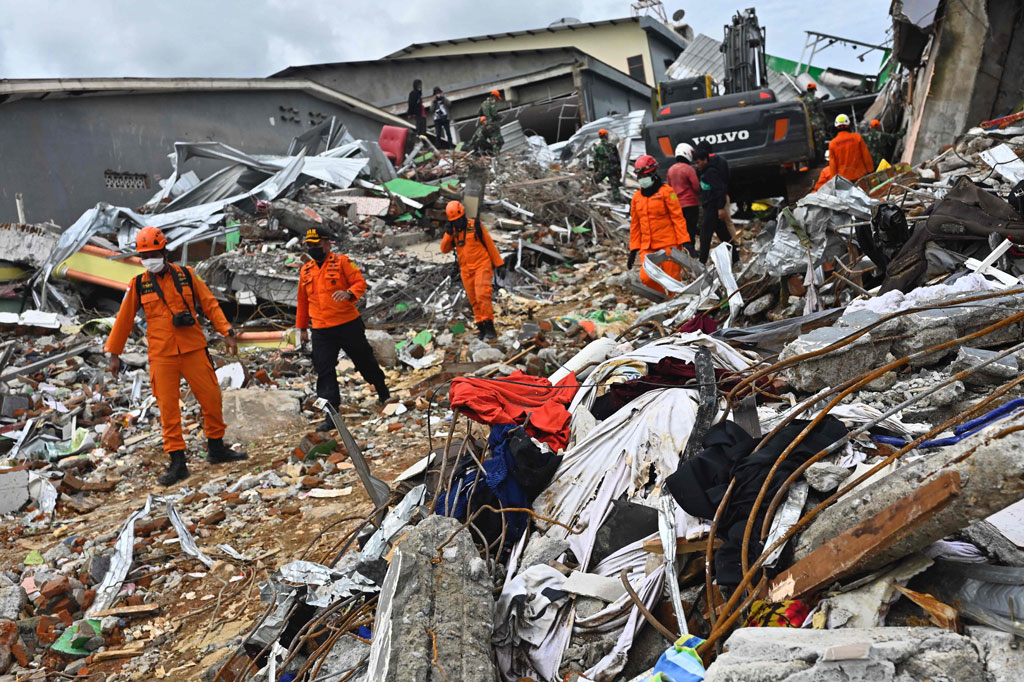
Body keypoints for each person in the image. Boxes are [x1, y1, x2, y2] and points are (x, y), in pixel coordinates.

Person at [104, 226, 247, 486]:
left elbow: (209, 304)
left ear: (164, 251)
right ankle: (177, 462)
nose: (149, 259)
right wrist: (114, 353)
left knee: (212, 399)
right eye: (144, 255)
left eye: (153, 253)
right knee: (169, 411)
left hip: (193, 349)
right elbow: (123, 320)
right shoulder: (138, 285)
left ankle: (216, 448)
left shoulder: (187, 276)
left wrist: (226, 331)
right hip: (162, 356)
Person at [296, 228, 390, 429]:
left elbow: (360, 283)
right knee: (325, 371)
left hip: (348, 325)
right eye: (310, 245)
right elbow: (302, 301)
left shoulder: (343, 262)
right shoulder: (305, 271)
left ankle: (382, 390)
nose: (313, 248)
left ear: (327, 244)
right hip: (321, 330)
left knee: (364, 360)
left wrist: (349, 293)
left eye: (317, 244)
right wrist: (302, 328)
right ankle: (331, 416)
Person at [628, 155, 693, 294]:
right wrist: (633, 249)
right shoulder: (636, 198)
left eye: (643, 175)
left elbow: (678, 218)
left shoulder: (667, 192)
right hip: (648, 247)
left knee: (672, 281)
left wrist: (685, 241)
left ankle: (674, 307)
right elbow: (635, 225)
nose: (641, 178)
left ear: (652, 173)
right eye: (639, 175)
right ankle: (663, 300)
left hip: (669, 245)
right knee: (646, 279)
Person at [441, 201, 504, 339]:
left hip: (482, 265)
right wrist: (448, 233)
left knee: (482, 295)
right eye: (454, 221)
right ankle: (481, 326)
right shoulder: (453, 231)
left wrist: (499, 264)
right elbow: (444, 249)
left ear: (462, 215)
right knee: (473, 299)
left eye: (458, 220)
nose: (457, 223)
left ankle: (489, 327)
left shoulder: (475, 226)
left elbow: (489, 243)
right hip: (465, 269)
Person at [692, 146, 734, 264]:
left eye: (698, 162)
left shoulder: (711, 172)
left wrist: (721, 208)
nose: (697, 165)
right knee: (724, 235)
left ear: (705, 160)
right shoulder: (704, 172)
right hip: (710, 207)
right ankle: (735, 258)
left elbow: (719, 190)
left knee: (705, 236)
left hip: (713, 208)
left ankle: (702, 263)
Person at [828, 113, 874, 182]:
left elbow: (832, 164)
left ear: (836, 127)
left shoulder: (833, 143)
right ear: (848, 125)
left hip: (844, 180)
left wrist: (834, 180)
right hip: (860, 176)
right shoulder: (857, 137)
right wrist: (871, 171)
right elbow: (866, 156)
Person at [667, 142, 701, 233]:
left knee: (681, 230)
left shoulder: (670, 170)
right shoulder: (689, 169)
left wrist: (675, 201)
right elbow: (696, 187)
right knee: (691, 229)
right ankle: (690, 246)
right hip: (691, 204)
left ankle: (684, 246)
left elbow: (669, 190)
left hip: (677, 206)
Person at [591, 129, 623, 201]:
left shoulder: (598, 147)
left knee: (593, 181)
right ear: (606, 135)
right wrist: (619, 171)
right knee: (615, 186)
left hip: (603, 169)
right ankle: (617, 199)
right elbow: (618, 159)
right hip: (613, 169)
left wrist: (596, 170)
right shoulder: (612, 146)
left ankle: (592, 194)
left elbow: (595, 161)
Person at [470, 89, 504, 155]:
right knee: (498, 142)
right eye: (497, 98)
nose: (497, 100)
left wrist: (486, 116)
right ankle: (496, 156)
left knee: (490, 140)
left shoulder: (484, 103)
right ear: (494, 96)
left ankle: (490, 154)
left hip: (486, 126)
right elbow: (494, 114)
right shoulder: (492, 103)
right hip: (493, 125)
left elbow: (479, 112)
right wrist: (499, 117)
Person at [800, 82, 827, 163]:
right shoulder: (816, 99)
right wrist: (824, 121)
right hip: (817, 124)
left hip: (807, 125)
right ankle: (820, 161)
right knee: (820, 142)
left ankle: (812, 162)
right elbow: (820, 112)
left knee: (811, 143)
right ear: (814, 90)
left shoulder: (802, 101)